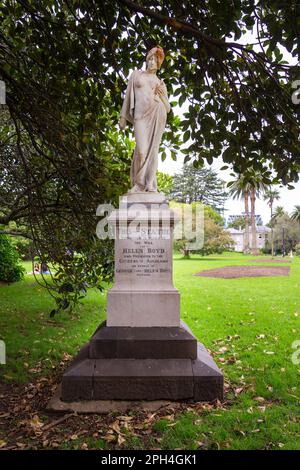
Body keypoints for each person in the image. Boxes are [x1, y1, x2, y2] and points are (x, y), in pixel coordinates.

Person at [119, 46, 171, 193]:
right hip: (140, 117)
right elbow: (128, 96)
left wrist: (161, 95)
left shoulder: (160, 83)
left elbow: (167, 107)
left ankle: (149, 183)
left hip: (157, 114)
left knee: (153, 150)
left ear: (159, 64)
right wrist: (123, 116)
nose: (152, 62)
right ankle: (139, 183)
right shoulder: (136, 75)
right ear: (147, 60)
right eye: (150, 59)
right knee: (141, 151)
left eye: (155, 60)